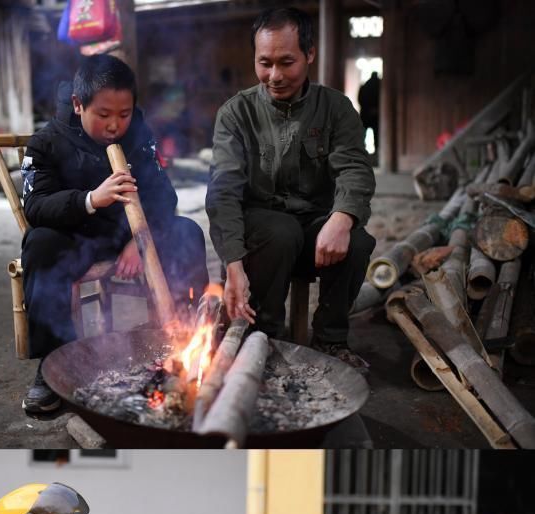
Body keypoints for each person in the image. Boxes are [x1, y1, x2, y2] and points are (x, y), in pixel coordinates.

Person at [20, 54, 209, 415]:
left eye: (124, 114)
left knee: (187, 232)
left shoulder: (138, 133)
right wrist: (91, 199)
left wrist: (139, 241)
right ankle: (52, 364)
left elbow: (162, 195)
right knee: (40, 245)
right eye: (104, 115)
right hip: (75, 238)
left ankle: (186, 340)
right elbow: (37, 206)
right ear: (78, 104)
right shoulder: (47, 141)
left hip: (127, 235)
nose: (115, 126)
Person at [206, 6, 376, 373]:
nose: (275, 75)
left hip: (315, 235)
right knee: (279, 231)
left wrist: (342, 218)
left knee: (358, 240)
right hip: (264, 240)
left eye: (287, 62)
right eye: (264, 63)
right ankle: (263, 337)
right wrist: (232, 263)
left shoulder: (336, 108)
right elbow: (223, 191)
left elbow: (355, 169)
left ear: (309, 54)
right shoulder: (237, 114)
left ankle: (330, 339)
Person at [358, 72, 380, 156]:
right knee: (376, 135)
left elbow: (360, 99)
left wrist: (367, 108)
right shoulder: (379, 86)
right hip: (376, 114)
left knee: (362, 133)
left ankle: (361, 151)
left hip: (365, 113)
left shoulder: (364, 86)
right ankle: (376, 153)